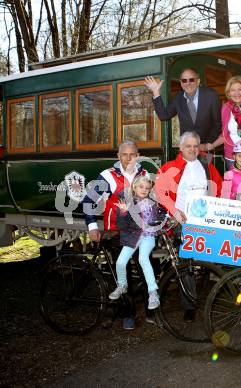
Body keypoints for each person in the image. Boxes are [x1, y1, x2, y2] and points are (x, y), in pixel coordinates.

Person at [82, 140, 153, 330]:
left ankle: (150, 310)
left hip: (140, 232)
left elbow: (154, 202)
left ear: (137, 155)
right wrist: (92, 226)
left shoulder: (145, 174)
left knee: (146, 267)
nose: (128, 158)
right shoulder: (107, 176)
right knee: (123, 274)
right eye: (124, 154)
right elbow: (88, 199)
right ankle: (127, 314)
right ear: (118, 156)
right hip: (116, 231)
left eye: (132, 154)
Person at [155, 131, 223, 323]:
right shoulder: (171, 167)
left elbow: (219, 188)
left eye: (195, 146)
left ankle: (207, 297)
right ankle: (190, 305)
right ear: (181, 148)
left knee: (208, 260)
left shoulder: (207, 166)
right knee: (186, 264)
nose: (192, 149)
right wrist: (174, 212)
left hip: (204, 222)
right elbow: (159, 192)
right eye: (188, 146)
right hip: (181, 223)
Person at [109, 175, 164, 311]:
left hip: (148, 236)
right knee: (120, 262)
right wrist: (123, 212)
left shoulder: (152, 203)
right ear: (134, 187)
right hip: (133, 237)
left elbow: (160, 217)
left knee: (143, 258)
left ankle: (153, 293)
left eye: (147, 188)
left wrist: (165, 218)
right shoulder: (127, 203)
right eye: (141, 187)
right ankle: (122, 285)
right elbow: (122, 225)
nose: (144, 190)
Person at [201, 75, 241, 170]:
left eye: (240, 89)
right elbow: (225, 134)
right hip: (232, 155)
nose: (236, 93)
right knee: (236, 184)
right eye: (233, 90)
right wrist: (212, 145)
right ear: (229, 93)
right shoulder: (226, 108)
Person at [144, 68, 221, 144]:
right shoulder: (178, 98)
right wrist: (155, 91)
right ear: (181, 83)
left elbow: (218, 123)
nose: (188, 83)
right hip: (187, 148)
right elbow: (164, 115)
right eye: (184, 81)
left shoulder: (211, 95)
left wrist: (208, 144)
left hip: (208, 147)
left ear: (198, 81)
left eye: (191, 80)